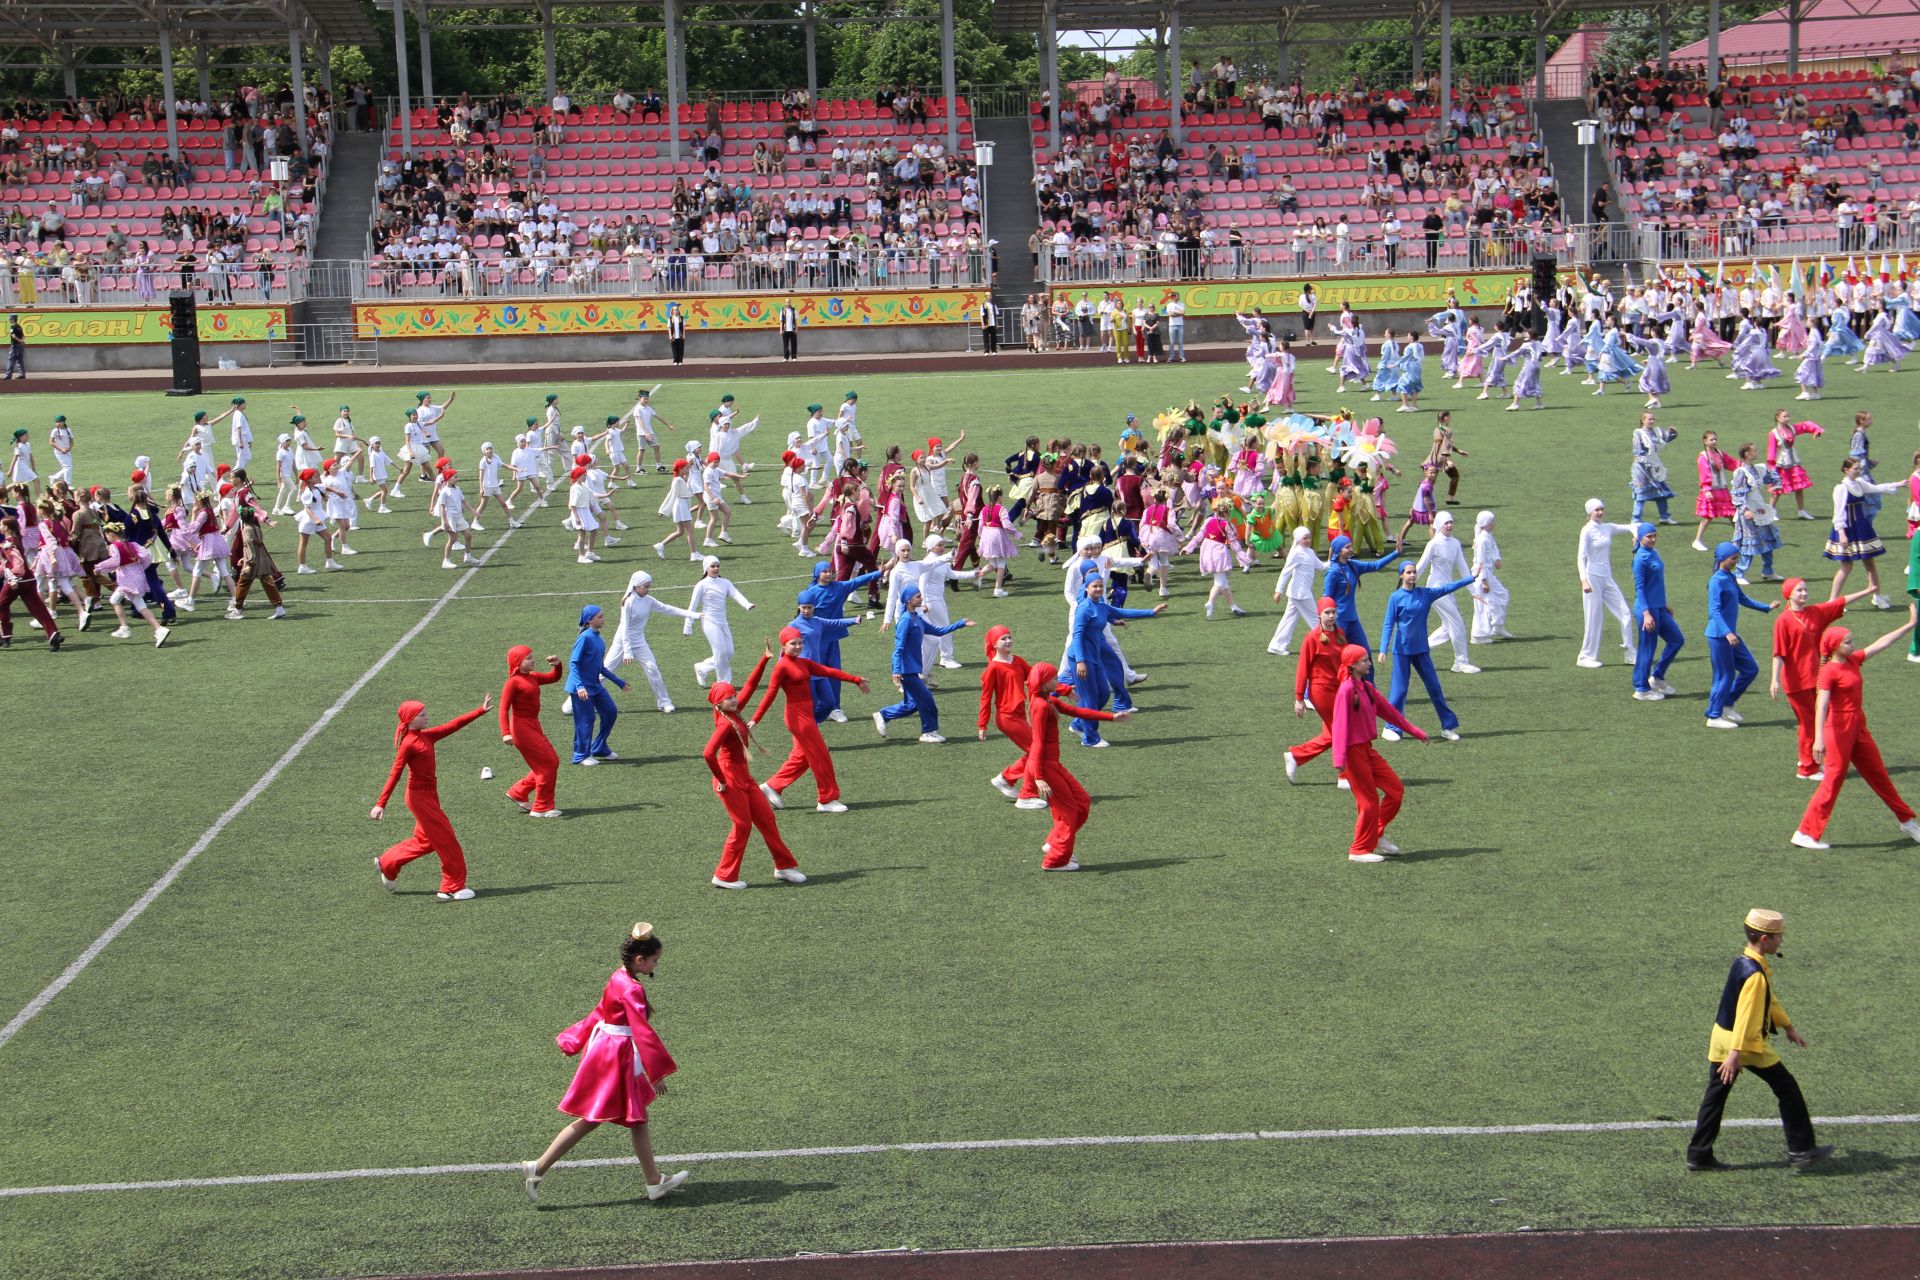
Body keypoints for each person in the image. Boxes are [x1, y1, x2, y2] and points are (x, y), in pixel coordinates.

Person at [522, 922, 689, 1204]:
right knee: (602, 1117)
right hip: (618, 1056)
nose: (656, 965)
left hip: (607, 1051)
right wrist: (656, 1072)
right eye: (654, 960)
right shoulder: (632, 989)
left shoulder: (618, 976)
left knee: (627, 1118)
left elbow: (600, 1012)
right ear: (640, 960)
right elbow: (642, 1032)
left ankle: (653, 1181)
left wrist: (575, 1037)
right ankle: (539, 1167)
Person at [1684, 908, 1831, 1172]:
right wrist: (1735, 1054)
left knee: (1715, 1096)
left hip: (1721, 1037)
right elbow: (1746, 1016)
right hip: (1745, 1045)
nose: (1781, 941)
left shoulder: (1743, 962)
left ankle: (1698, 1154)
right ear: (1765, 939)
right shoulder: (1755, 975)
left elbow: (1769, 1002)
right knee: (1787, 1088)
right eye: (1778, 937)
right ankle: (1801, 1149)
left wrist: (1788, 1026)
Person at [1791, 609, 1920, 849]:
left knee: (1879, 775)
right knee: (1833, 781)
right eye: (1848, 642)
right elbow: (1821, 705)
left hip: (1858, 725)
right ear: (1835, 647)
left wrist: (1910, 624)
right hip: (1837, 730)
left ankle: (1907, 820)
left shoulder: (1853, 660)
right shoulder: (1829, 671)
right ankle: (1805, 832)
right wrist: (1818, 739)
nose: (1853, 645)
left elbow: (1882, 643)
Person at [372, 694, 493, 901]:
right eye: (422, 714)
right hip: (419, 798)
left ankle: (388, 863)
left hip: (429, 795)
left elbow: (453, 725)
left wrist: (480, 710)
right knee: (447, 840)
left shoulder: (426, 736)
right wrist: (380, 804)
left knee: (426, 841)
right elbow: (395, 773)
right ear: (411, 719)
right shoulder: (408, 744)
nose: (427, 716)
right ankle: (451, 887)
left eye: (426, 713)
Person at [703, 648, 805, 889]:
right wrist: (721, 779)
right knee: (742, 826)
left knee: (767, 818)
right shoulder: (725, 724)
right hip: (730, 779)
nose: (734, 699)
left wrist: (764, 660)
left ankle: (784, 866)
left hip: (743, 777)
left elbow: (749, 686)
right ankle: (724, 875)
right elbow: (708, 753)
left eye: (734, 695)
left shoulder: (733, 711)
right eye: (729, 698)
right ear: (719, 703)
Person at [1021, 661, 1130, 870]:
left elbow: (1078, 712)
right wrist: (1039, 778)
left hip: (1053, 765)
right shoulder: (1041, 707)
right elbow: (1038, 743)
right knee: (1069, 812)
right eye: (1054, 678)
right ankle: (1055, 860)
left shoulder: (1048, 700)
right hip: (1046, 767)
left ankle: (1054, 842)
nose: (1057, 681)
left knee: (1082, 802)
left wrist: (1112, 717)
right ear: (1044, 682)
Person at [751, 626, 870, 814]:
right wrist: (756, 719)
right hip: (797, 717)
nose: (798, 646)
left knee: (803, 756)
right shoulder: (781, 667)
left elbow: (828, 671)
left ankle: (772, 786)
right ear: (783, 646)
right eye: (793, 643)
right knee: (820, 756)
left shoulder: (804, 662)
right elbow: (770, 694)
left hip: (806, 714)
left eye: (800, 643)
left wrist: (856, 679)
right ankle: (826, 799)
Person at [1331, 645, 1428, 862]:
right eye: (1364, 660)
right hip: (1353, 753)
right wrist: (1339, 758)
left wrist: (1414, 731)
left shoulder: (1366, 687)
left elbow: (1389, 711)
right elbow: (1339, 724)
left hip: (1367, 749)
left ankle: (1375, 832)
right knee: (1368, 802)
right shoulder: (1346, 690)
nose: (1369, 663)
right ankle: (1358, 850)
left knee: (1396, 790)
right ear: (1353, 665)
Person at [1771, 578, 1876, 779]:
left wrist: (1868, 590)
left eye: (1805, 589)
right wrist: (1774, 679)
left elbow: (1839, 602)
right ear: (1789, 594)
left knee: (1815, 721)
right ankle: (1807, 768)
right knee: (1809, 723)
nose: (1804, 593)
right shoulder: (1783, 620)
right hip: (1796, 682)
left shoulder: (1814, 613)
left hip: (1816, 678)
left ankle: (1809, 760)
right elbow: (1779, 652)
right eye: (1799, 590)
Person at [1379, 560, 1473, 741]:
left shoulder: (1425, 594)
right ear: (1401, 575)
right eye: (1408, 572)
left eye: (1414, 572)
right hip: (1402, 651)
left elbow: (1448, 587)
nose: (1412, 575)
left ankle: (1448, 726)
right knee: (1399, 690)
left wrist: (1471, 578)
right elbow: (1388, 624)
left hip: (1421, 649)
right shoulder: (1395, 597)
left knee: (1434, 687)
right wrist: (1383, 649)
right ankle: (1391, 727)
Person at [873, 585, 971, 743]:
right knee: (927, 700)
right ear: (908, 600)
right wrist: (896, 670)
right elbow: (898, 648)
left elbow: (938, 631)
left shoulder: (917, 618)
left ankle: (883, 715)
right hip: (906, 671)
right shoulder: (905, 620)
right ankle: (928, 732)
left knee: (912, 705)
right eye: (918, 596)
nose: (921, 598)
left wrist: (960, 623)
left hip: (912, 669)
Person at [1703, 540, 1775, 729]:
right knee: (1724, 676)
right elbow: (1714, 611)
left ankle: (1727, 703)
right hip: (1719, 636)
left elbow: (1742, 599)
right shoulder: (1716, 581)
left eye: (1737, 558)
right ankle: (1714, 715)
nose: (1736, 561)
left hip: (1730, 635)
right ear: (1722, 559)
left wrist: (1766, 607)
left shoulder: (1730, 576)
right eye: (1733, 558)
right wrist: (1727, 633)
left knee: (1750, 669)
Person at [606, 569, 697, 715]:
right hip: (622, 642)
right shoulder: (628, 602)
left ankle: (664, 701)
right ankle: (575, 702)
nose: (648, 589)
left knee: (653, 669)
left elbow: (668, 609)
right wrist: (627, 651)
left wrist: (692, 614)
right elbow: (624, 628)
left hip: (639, 641)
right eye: (646, 586)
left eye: (649, 586)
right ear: (637, 586)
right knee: (604, 671)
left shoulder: (648, 600)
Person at [1282, 597, 1348, 786]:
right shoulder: (1312, 638)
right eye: (1327, 612)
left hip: (1339, 690)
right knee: (1342, 730)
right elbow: (1302, 669)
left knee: (1332, 734)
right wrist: (1299, 698)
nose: (1331, 616)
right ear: (1319, 615)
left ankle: (1296, 756)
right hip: (1321, 691)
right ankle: (1343, 776)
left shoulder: (1340, 634)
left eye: (1333, 612)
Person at [979, 625, 1045, 808]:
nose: (1008, 641)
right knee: (1037, 751)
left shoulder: (1017, 661)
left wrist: (1063, 688)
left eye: (1009, 637)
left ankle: (1007, 779)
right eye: (1003, 638)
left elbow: (1035, 679)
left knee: (1036, 751)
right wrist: (982, 725)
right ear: (994, 644)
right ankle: (1026, 795)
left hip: (1019, 714)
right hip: (1007, 717)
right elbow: (985, 697)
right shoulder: (993, 668)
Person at [501, 645, 565, 818]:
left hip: (533, 725)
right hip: (521, 728)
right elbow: (503, 709)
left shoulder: (533, 677)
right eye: (528, 658)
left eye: (532, 657)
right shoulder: (513, 682)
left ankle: (519, 792)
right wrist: (506, 733)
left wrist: (557, 666)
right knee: (549, 763)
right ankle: (541, 807)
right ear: (517, 662)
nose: (533, 660)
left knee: (547, 763)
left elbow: (553, 678)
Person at [1576, 498, 1637, 668]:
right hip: (1592, 577)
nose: (1600, 512)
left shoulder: (1607, 527)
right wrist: (1584, 580)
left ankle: (1630, 653)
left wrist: (1636, 534)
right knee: (1594, 619)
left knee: (1625, 612)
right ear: (1590, 512)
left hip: (1607, 577)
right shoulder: (1586, 531)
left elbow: (1631, 526)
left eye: (1602, 509)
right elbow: (1581, 557)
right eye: (1597, 510)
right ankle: (1585, 657)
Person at [566, 604, 628, 765]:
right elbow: (573, 663)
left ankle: (599, 747)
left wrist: (619, 682)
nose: (603, 619)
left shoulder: (599, 639)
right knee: (586, 719)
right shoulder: (584, 638)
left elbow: (600, 667)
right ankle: (580, 755)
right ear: (589, 620)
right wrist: (580, 686)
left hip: (594, 685)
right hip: (580, 688)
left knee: (610, 712)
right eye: (599, 617)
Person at [1630, 524, 1683, 701]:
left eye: (1654, 536)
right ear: (1640, 538)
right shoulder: (1640, 559)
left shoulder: (1654, 553)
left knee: (1677, 640)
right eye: (1649, 536)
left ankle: (1657, 677)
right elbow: (1639, 588)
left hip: (1658, 607)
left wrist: (1663, 605)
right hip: (1647, 610)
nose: (1653, 539)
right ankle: (1641, 688)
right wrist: (1646, 614)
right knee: (1647, 649)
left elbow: (1656, 583)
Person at [686, 554, 755, 686]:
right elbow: (692, 606)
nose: (716, 568)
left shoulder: (725, 582)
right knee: (720, 652)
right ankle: (723, 682)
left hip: (723, 621)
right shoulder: (701, 585)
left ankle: (702, 668)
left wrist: (747, 605)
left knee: (728, 652)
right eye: (712, 566)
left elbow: (736, 594)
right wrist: (688, 625)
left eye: (717, 566)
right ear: (706, 568)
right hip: (709, 621)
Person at [1267, 526, 1326, 656]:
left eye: (1309, 537)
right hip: (1300, 594)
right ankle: (1326, 644)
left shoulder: (1310, 552)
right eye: (1305, 538)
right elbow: (1286, 572)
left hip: (1299, 593)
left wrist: (1335, 562)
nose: (1308, 540)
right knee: (1316, 619)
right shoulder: (1296, 553)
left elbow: (1321, 566)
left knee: (1289, 619)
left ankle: (1276, 646)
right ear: (1298, 539)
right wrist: (1278, 591)